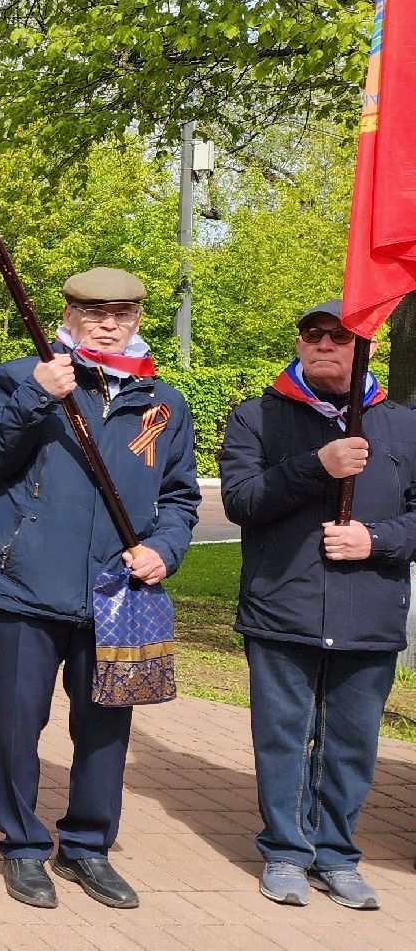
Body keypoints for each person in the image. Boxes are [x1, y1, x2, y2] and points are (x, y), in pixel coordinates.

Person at [0, 267, 199, 911]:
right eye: (92, 309)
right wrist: (35, 398)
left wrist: (165, 548)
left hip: (117, 592)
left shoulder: (162, 402)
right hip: (24, 585)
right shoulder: (21, 377)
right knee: (19, 722)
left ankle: (88, 846)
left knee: (105, 724)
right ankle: (21, 846)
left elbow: (180, 497)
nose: (106, 321)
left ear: (136, 318)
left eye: (121, 312)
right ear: (67, 312)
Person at [218, 300, 409, 910]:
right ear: (300, 344)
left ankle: (338, 856)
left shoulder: (404, 425)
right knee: (282, 737)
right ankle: (284, 851)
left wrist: (375, 540)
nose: (325, 344)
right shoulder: (256, 418)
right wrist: (314, 467)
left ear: (365, 347)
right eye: (313, 335)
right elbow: (243, 501)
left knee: (351, 742)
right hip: (283, 608)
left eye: (340, 336)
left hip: (369, 614)